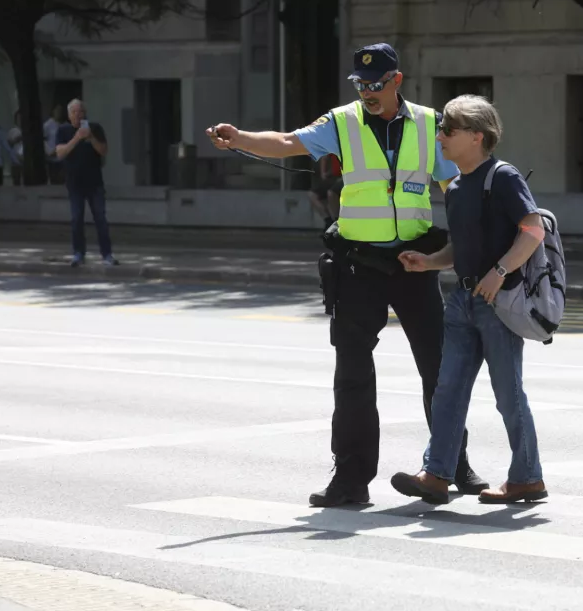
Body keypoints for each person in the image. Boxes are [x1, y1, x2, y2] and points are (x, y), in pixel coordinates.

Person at [206, 43, 488, 507]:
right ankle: (351, 479)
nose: (368, 92)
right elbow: (288, 142)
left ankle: (452, 464)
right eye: (360, 84)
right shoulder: (342, 121)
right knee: (353, 375)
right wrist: (240, 138)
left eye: (376, 84)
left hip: (414, 263)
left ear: (397, 81)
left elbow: (454, 183)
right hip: (358, 265)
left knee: (440, 370)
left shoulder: (428, 124)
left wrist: (470, 238)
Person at [389, 94, 546, 505]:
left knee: (508, 394)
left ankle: (527, 477)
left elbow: (533, 231)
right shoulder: (456, 187)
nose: (439, 137)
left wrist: (500, 272)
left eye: (448, 130)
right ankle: (436, 474)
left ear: (477, 136)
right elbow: (460, 247)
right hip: (461, 300)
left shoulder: (503, 177)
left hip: (497, 302)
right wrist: (428, 262)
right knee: (448, 391)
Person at [55, 99, 118, 267]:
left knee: (100, 218)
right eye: (74, 112)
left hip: (94, 182)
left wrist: (90, 137)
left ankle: (107, 254)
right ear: (69, 115)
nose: (78, 115)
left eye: (81, 111)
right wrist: (77, 138)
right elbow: (60, 153)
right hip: (75, 183)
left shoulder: (95, 128)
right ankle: (78, 253)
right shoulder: (63, 130)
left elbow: (103, 151)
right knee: (76, 218)